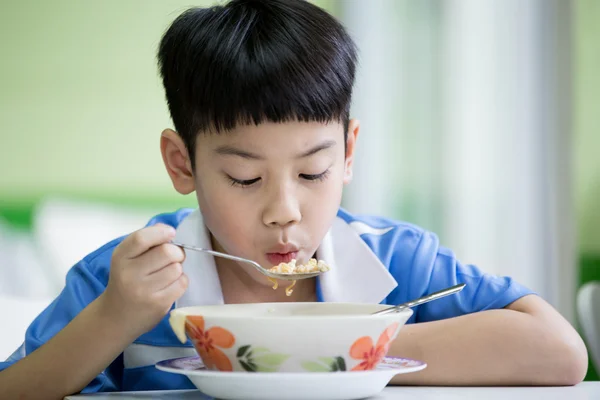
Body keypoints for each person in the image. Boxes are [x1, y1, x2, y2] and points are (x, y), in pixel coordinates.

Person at [0, 0, 588, 398]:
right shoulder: (127, 280)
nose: (285, 210)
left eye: (313, 172)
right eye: (245, 180)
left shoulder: (391, 259)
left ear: (349, 153)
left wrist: (336, 349)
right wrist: (114, 319)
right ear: (184, 164)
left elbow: (561, 353)